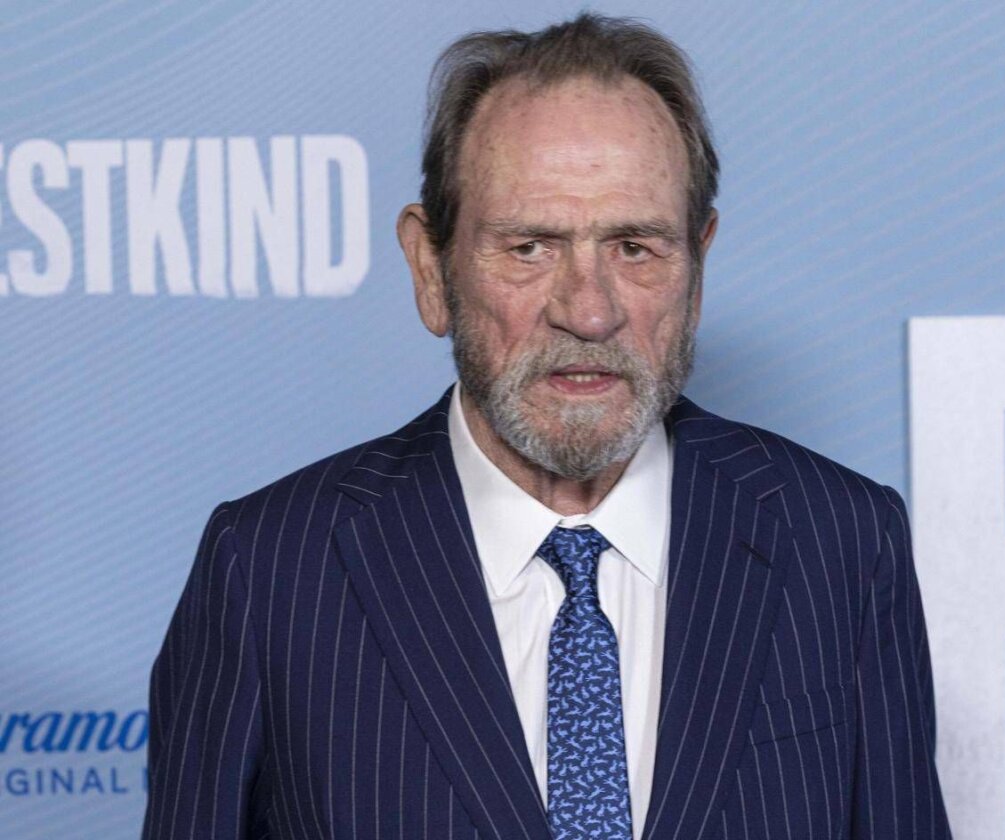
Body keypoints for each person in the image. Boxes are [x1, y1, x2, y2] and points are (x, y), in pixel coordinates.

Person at [143, 13, 951, 840]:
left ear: (697, 265)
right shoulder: (271, 570)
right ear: (431, 269)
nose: (589, 311)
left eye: (635, 247)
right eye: (530, 247)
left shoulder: (842, 543)